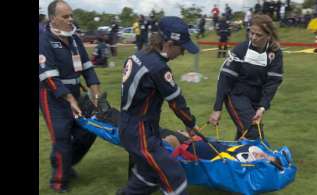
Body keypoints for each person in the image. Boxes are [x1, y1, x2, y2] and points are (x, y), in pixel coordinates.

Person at [116, 16, 200, 195]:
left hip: (129, 125)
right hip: (141, 133)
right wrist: (191, 125)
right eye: (182, 48)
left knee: (148, 175)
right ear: (169, 44)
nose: (183, 53)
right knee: (176, 178)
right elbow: (176, 102)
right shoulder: (158, 67)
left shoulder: (139, 55)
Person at [39, 0, 102, 192]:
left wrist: (95, 91)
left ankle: (64, 163)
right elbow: (47, 77)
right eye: (65, 16)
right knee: (62, 137)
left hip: (75, 93)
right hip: (53, 97)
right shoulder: (44, 40)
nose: (70, 20)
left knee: (90, 130)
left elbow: (88, 67)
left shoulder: (74, 39)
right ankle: (59, 182)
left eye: (71, 15)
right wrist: (69, 99)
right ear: (53, 19)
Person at [208, 14, 283, 140]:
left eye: (258, 35)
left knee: (243, 136)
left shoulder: (275, 54)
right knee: (253, 133)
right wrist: (217, 108)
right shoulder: (240, 50)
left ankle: (236, 158)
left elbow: (273, 82)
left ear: (268, 36)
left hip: (256, 99)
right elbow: (224, 79)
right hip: (236, 95)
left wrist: (262, 107)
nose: (253, 38)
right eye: (251, 33)